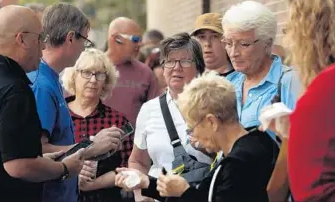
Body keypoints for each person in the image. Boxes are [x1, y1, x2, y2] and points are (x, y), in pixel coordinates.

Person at [115, 73, 279, 202]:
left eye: (192, 128)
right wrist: (147, 183)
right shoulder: (258, 142)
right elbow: (203, 196)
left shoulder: (237, 165)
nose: (193, 135)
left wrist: (184, 192)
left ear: (211, 122)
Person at [0, 5, 85, 202]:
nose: (44, 47)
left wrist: (41, 161)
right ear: (21, 39)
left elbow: (3, 150)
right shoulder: (14, 89)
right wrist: (64, 168)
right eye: (40, 38)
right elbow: (18, 165)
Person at [27, 3, 124, 202]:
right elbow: (34, 151)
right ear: (71, 38)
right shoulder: (42, 85)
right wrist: (91, 147)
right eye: (85, 40)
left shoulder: (49, 78)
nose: (83, 48)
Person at [266, 0, 335, 201]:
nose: (288, 41)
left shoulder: (327, 84)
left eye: (289, 30)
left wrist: (296, 131)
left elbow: (312, 185)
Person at [128, 33, 212, 201]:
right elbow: (138, 161)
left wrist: (207, 149)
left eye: (185, 61)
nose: (176, 67)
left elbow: (230, 156)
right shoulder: (149, 109)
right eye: (170, 61)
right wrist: (140, 195)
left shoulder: (213, 105)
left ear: (199, 67)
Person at [62, 48, 133, 202]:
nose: (93, 80)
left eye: (99, 74)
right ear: (74, 76)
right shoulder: (58, 116)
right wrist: (70, 175)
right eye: (86, 72)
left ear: (106, 82)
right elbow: (41, 159)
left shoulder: (117, 121)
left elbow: (129, 167)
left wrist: (92, 184)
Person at [221, 1, 299, 141]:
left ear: (267, 44)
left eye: (244, 44)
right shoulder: (227, 84)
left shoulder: (289, 82)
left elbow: (300, 141)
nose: (233, 53)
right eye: (228, 43)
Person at [104, 17, 159, 127]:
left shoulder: (145, 73)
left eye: (140, 40)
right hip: (96, 143)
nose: (140, 44)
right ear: (117, 39)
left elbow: (154, 116)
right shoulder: (90, 69)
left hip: (135, 143)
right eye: (135, 39)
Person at [191, 13, 236, 80]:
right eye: (202, 37)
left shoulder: (242, 78)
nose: (207, 43)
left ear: (226, 40)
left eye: (214, 36)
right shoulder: (190, 79)